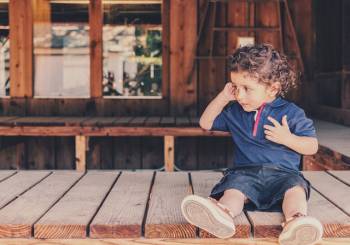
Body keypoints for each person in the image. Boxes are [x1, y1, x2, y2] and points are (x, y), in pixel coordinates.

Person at [181, 44, 323, 245]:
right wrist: (223, 97)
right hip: (245, 174)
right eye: (236, 87)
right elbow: (205, 123)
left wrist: (288, 139)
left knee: (295, 190)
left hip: (284, 175)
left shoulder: (292, 113)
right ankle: (222, 215)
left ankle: (296, 222)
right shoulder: (235, 112)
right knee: (234, 190)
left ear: (273, 88)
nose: (239, 95)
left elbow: (312, 146)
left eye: (247, 89)